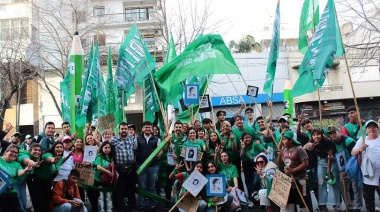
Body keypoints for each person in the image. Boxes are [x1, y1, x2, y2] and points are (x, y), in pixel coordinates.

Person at [304, 128, 340, 212]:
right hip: (320, 163)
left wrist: (328, 172)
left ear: (322, 135)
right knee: (321, 183)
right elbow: (303, 148)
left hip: (331, 162)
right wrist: (309, 146)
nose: (316, 136)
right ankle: (323, 205)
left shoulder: (328, 142)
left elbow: (330, 157)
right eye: (314, 135)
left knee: (333, 182)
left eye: (318, 134)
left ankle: (336, 205)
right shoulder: (312, 142)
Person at [277, 131, 313, 211]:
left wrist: (293, 171)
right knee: (289, 202)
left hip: (300, 179)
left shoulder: (299, 149)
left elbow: (305, 163)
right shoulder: (284, 149)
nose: (283, 141)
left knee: (302, 202)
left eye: (284, 139)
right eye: (282, 140)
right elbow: (279, 163)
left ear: (290, 140)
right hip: (288, 181)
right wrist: (279, 156)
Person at [29, 141, 66, 212]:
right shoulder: (48, 154)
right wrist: (53, 160)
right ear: (53, 148)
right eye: (57, 147)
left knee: (47, 201)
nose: (59, 149)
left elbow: (56, 169)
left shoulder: (60, 158)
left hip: (47, 182)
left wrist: (69, 155)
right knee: (38, 202)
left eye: (61, 147)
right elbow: (49, 159)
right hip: (37, 181)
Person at [352, 120, 380, 212]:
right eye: (369, 127)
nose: (371, 129)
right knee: (369, 200)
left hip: (379, 176)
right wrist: (360, 148)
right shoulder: (362, 139)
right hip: (367, 177)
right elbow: (353, 153)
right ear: (366, 130)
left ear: (377, 128)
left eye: (374, 127)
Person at [327, 125, 356, 211]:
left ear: (339, 131)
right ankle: (349, 207)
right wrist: (333, 159)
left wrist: (348, 169)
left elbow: (355, 156)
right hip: (343, 168)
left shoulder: (348, 141)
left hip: (354, 167)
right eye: (330, 134)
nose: (333, 135)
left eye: (334, 132)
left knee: (356, 189)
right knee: (343, 188)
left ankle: (357, 207)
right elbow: (338, 158)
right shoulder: (333, 143)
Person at [134, 121, 162, 211]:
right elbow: (134, 151)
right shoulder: (137, 139)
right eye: (146, 127)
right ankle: (141, 204)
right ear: (142, 129)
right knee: (142, 186)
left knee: (152, 187)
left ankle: (153, 204)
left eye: (149, 127)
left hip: (153, 166)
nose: (147, 129)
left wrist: (160, 154)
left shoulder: (157, 139)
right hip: (141, 166)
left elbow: (161, 150)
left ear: (152, 128)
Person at [110, 122, 137, 211]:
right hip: (119, 168)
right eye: (122, 129)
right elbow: (107, 150)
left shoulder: (132, 138)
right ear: (119, 130)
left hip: (131, 167)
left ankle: (131, 208)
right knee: (120, 189)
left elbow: (135, 149)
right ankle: (120, 208)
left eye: (125, 129)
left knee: (131, 188)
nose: (124, 130)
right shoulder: (114, 139)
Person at [0, 144, 33, 212]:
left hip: (12, 193)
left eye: (16, 153)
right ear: (6, 151)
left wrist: (25, 170)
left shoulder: (16, 164)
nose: (14, 154)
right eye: (12, 151)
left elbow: (19, 172)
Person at [239, 132, 267, 205]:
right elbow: (241, 156)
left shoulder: (255, 144)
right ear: (243, 139)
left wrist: (261, 160)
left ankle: (260, 198)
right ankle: (252, 198)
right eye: (246, 138)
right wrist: (243, 148)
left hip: (257, 163)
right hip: (247, 162)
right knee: (248, 180)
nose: (248, 139)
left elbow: (265, 152)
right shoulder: (242, 145)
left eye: (249, 137)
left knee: (256, 180)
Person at [163, 121, 187, 202]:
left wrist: (179, 156)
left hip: (181, 165)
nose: (178, 129)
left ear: (182, 128)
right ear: (174, 128)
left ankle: (180, 201)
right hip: (171, 165)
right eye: (177, 127)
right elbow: (165, 149)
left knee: (180, 183)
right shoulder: (170, 137)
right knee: (169, 184)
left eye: (180, 127)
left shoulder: (185, 138)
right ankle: (168, 200)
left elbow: (186, 150)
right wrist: (166, 141)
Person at [17, 143, 43, 210]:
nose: (37, 151)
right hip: (14, 183)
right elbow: (27, 160)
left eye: (39, 150)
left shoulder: (36, 159)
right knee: (17, 204)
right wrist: (33, 163)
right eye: (35, 150)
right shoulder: (24, 154)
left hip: (22, 184)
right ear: (30, 150)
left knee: (23, 204)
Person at [93, 141, 114, 212]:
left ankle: (109, 210)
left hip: (108, 181)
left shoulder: (112, 157)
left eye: (109, 148)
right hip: (99, 180)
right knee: (100, 198)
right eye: (105, 147)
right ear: (102, 148)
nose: (107, 149)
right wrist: (108, 172)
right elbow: (98, 167)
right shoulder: (99, 156)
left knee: (109, 197)